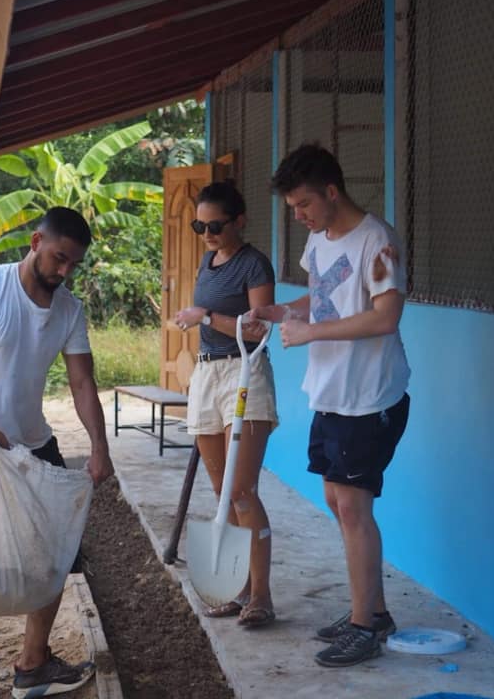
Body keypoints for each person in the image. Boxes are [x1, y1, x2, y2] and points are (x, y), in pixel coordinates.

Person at [0, 207, 114, 699]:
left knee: (57, 553)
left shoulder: (69, 310)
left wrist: (99, 447)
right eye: (59, 258)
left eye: (73, 264)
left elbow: (82, 381)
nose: (64, 272)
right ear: (36, 241)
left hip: (35, 445)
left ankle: (33, 661)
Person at [251, 143, 410, 668]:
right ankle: (374, 612)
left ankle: (365, 627)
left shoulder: (377, 241)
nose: (299, 216)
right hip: (331, 394)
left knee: (354, 508)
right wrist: (277, 312)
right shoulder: (320, 240)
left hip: (370, 398)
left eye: (303, 205)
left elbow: (386, 318)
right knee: (339, 502)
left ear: (332, 191)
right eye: (293, 208)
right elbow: (320, 295)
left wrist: (312, 329)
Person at [173, 181, 278, 629]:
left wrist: (206, 317)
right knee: (221, 494)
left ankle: (262, 596)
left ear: (239, 221)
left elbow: (260, 330)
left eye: (215, 225)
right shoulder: (207, 260)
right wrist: (192, 322)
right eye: (200, 225)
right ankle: (235, 589)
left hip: (244, 372)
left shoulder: (254, 264)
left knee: (242, 491)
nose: (207, 233)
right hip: (207, 371)